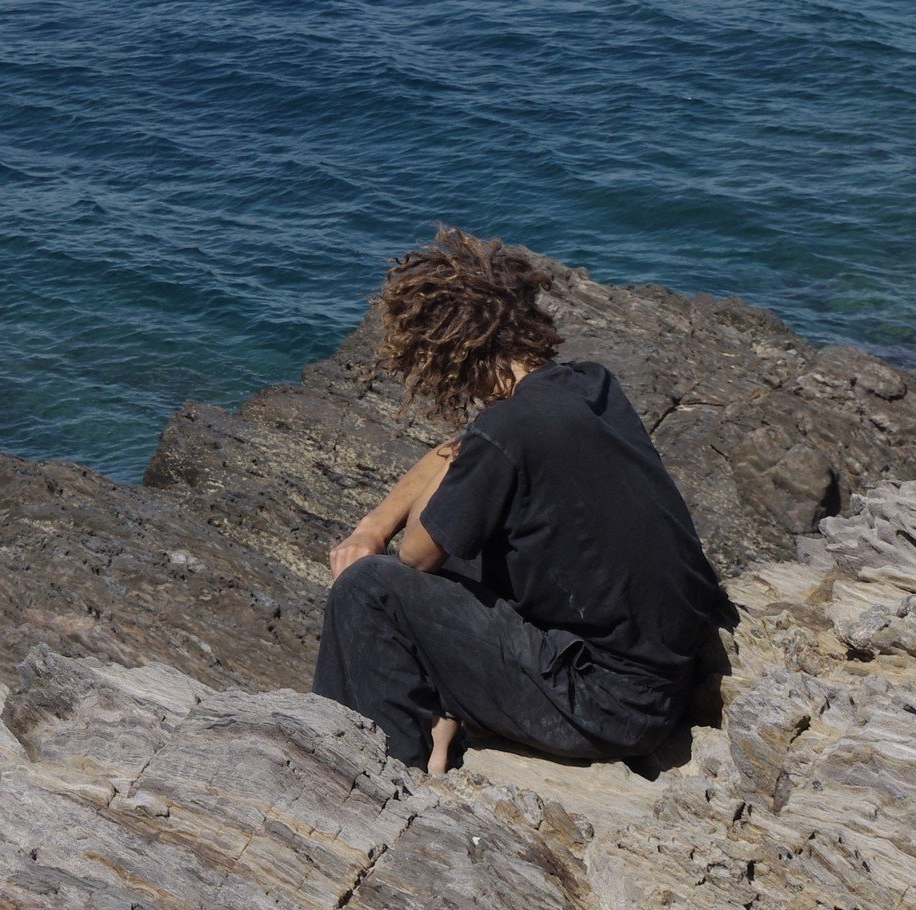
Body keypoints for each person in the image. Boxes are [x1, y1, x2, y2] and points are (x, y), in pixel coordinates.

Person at [313, 228, 736, 776]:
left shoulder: (506, 432)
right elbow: (465, 448)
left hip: (602, 707)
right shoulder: (588, 386)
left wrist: (386, 539)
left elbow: (417, 554)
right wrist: (373, 524)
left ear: (445, 352)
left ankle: (377, 777)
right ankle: (444, 732)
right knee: (476, 545)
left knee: (367, 590)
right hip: (660, 682)